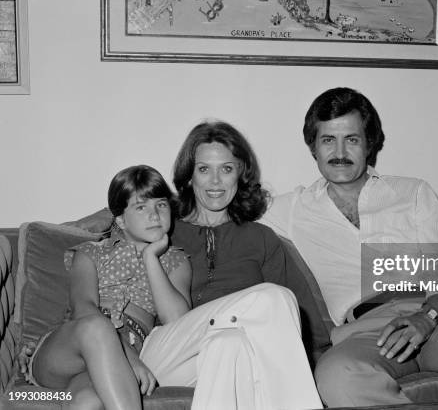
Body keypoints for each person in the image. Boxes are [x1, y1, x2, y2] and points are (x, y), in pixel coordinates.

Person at [261, 87, 438, 406]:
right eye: (328, 140)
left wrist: (427, 317)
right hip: (367, 334)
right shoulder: (292, 210)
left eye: (353, 139)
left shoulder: (412, 193)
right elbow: (222, 208)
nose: (340, 151)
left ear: (369, 143)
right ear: (313, 148)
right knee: (337, 374)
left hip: (437, 317)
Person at [133, 121, 322, 410]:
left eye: (227, 169)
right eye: (204, 169)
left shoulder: (262, 239)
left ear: (240, 175)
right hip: (166, 359)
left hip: (230, 356)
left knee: (228, 344)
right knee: (275, 297)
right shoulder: (161, 228)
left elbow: (310, 330)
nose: (216, 182)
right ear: (189, 176)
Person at [26, 165, 191, 410]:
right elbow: (83, 308)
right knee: (96, 327)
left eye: (161, 204)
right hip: (68, 350)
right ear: (121, 219)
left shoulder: (175, 261)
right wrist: (128, 356)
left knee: (86, 403)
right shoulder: (91, 253)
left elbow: (177, 321)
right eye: (141, 206)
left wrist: (151, 259)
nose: (155, 215)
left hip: (110, 362)